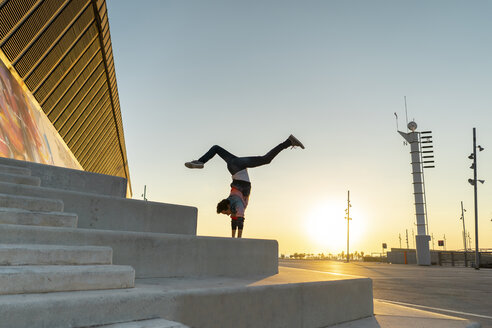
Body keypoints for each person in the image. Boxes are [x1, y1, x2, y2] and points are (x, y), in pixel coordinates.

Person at [185, 135, 304, 238]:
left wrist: (238, 239)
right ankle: (200, 162)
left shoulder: (237, 203)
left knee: (265, 159)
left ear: (227, 206)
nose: (227, 215)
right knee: (216, 148)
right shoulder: (232, 201)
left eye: (225, 212)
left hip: (237, 166)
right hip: (233, 165)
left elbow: (240, 219)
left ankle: (288, 141)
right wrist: (233, 238)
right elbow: (235, 218)